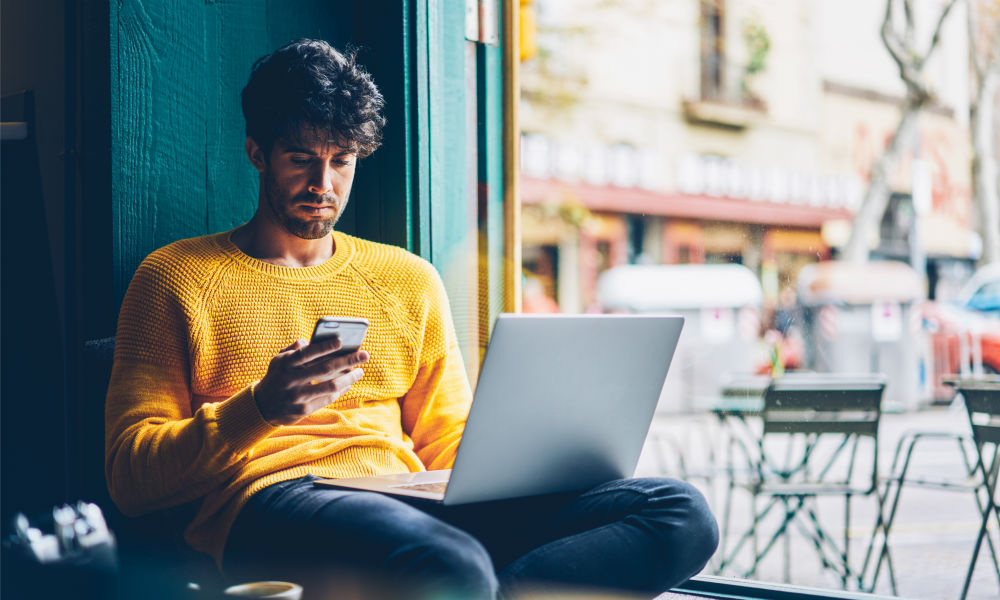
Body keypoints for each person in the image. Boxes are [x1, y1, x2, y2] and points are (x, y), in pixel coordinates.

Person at [105, 39, 718, 599]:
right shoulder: (177, 278)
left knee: (680, 512)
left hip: (406, 495)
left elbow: (445, 439)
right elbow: (130, 477)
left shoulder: (406, 278)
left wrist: (538, 464)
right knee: (449, 565)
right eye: (301, 159)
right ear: (256, 154)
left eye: (342, 160)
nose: (324, 183)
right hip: (269, 501)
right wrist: (261, 407)